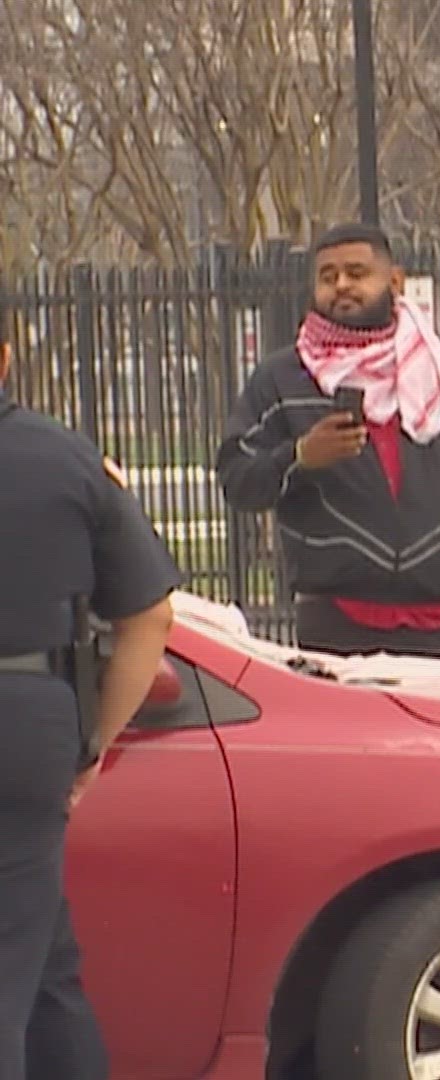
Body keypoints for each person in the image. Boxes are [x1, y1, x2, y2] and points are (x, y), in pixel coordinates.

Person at [0, 298, 179, 1080]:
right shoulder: (67, 462)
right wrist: (94, 741)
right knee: (36, 960)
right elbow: (151, 617)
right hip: (27, 724)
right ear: (6, 359)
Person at [215, 223, 440, 663]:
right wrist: (299, 456)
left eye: (357, 273)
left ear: (394, 282)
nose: (341, 285)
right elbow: (237, 478)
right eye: (327, 276)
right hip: (338, 624)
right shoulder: (283, 378)